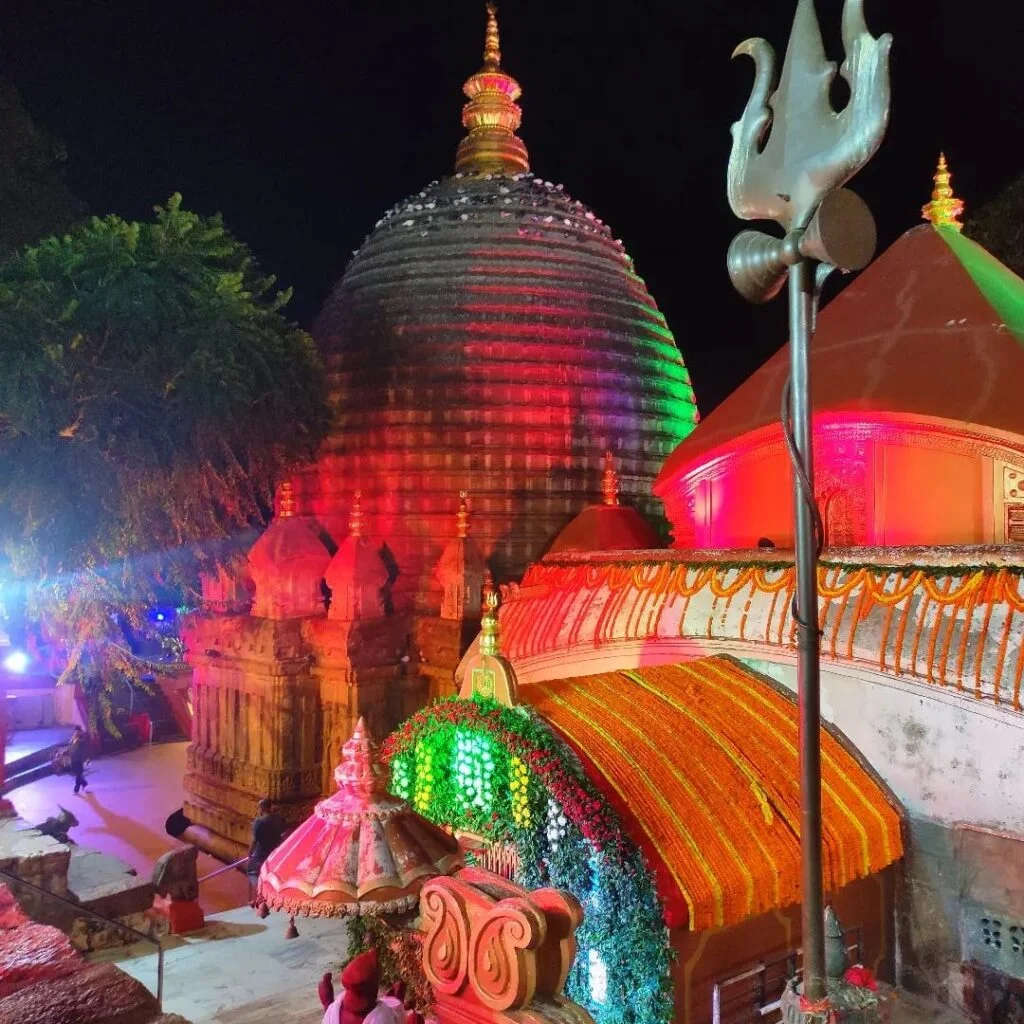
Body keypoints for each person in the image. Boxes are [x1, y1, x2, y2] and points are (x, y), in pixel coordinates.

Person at [247, 798, 284, 903]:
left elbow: (254, 841)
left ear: (262, 808)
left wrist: (249, 854)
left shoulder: (259, 822)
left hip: (260, 854)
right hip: (274, 853)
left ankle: (261, 894)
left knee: (252, 873)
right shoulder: (278, 819)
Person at [68, 726, 88, 795]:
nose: (76, 733)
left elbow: (85, 750)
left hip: (79, 760)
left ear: (80, 733)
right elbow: (70, 749)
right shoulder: (71, 741)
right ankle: (84, 783)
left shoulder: (81, 741)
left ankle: (76, 789)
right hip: (73, 760)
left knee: (78, 775)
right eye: (75, 732)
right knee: (77, 774)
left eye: (78, 732)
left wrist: (86, 759)